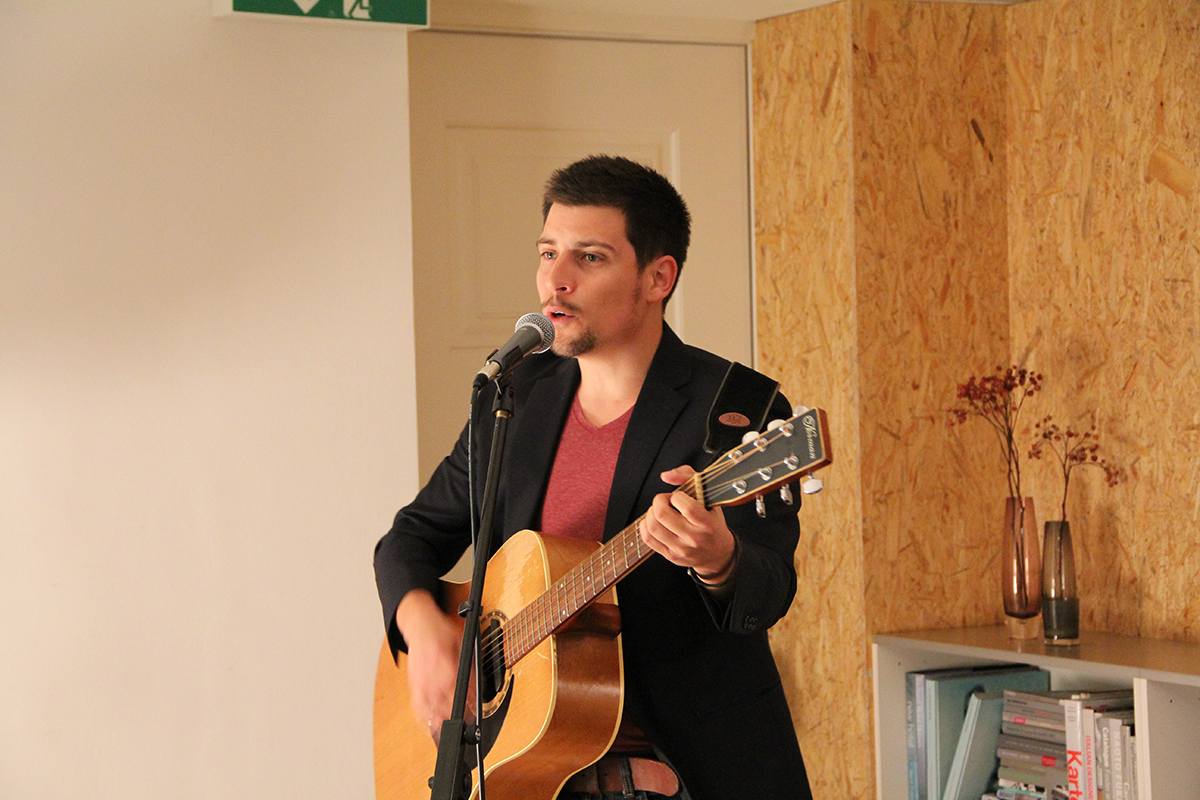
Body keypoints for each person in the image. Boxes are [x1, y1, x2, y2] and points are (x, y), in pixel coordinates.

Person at [374, 155, 813, 800]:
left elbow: (768, 590)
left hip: (684, 776)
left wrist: (719, 560)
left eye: (590, 257)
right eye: (548, 253)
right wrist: (426, 634)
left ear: (657, 277)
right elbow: (409, 539)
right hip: (524, 775)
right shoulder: (516, 398)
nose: (556, 281)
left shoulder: (736, 409)